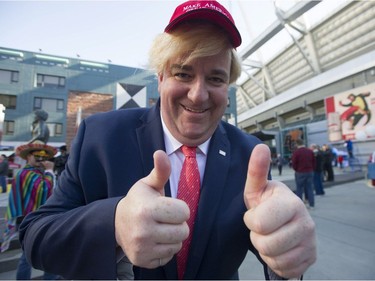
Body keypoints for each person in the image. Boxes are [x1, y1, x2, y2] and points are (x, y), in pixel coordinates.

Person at [19, 1, 317, 280]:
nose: (198, 94)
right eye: (183, 74)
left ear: (227, 87)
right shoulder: (100, 137)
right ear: (160, 78)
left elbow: (275, 252)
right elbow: (36, 236)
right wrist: (114, 225)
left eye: (215, 79)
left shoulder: (251, 154)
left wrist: (287, 253)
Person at [0, 140, 59, 279]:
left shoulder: (37, 172)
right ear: (28, 157)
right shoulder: (26, 173)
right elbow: (43, 189)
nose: (40, 159)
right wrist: (50, 171)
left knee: (47, 254)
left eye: (43, 156)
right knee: (28, 257)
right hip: (29, 220)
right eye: (36, 155)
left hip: (39, 220)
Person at [292, 139, 315, 209]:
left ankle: (300, 206)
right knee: (310, 188)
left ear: (297, 144)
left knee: (299, 189)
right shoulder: (310, 151)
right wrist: (312, 169)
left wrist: (297, 169)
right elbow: (314, 162)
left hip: (300, 172)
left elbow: (294, 163)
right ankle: (311, 204)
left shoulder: (296, 152)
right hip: (309, 171)